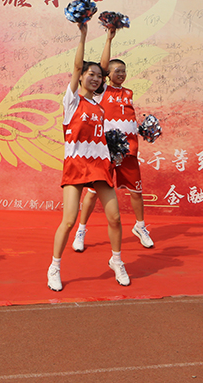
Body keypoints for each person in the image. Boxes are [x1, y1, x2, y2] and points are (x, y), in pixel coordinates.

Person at [48, 22, 128, 292]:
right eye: (90, 74)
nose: (95, 78)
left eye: (98, 76)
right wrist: (83, 35)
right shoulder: (72, 101)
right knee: (69, 221)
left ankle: (116, 260)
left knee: (115, 218)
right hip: (76, 166)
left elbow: (104, 68)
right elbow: (76, 67)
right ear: (81, 77)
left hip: (99, 166)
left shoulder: (99, 102)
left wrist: (108, 38)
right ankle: (54, 267)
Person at [72, 28, 153, 253]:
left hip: (129, 151)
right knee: (92, 192)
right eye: (117, 70)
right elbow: (103, 65)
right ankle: (81, 230)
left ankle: (140, 226)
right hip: (105, 151)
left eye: (124, 71)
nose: (121, 74)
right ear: (108, 74)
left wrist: (141, 129)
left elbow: (127, 118)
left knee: (136, 191)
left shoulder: (128, 93)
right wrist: (109, 39)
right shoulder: (102, 90)